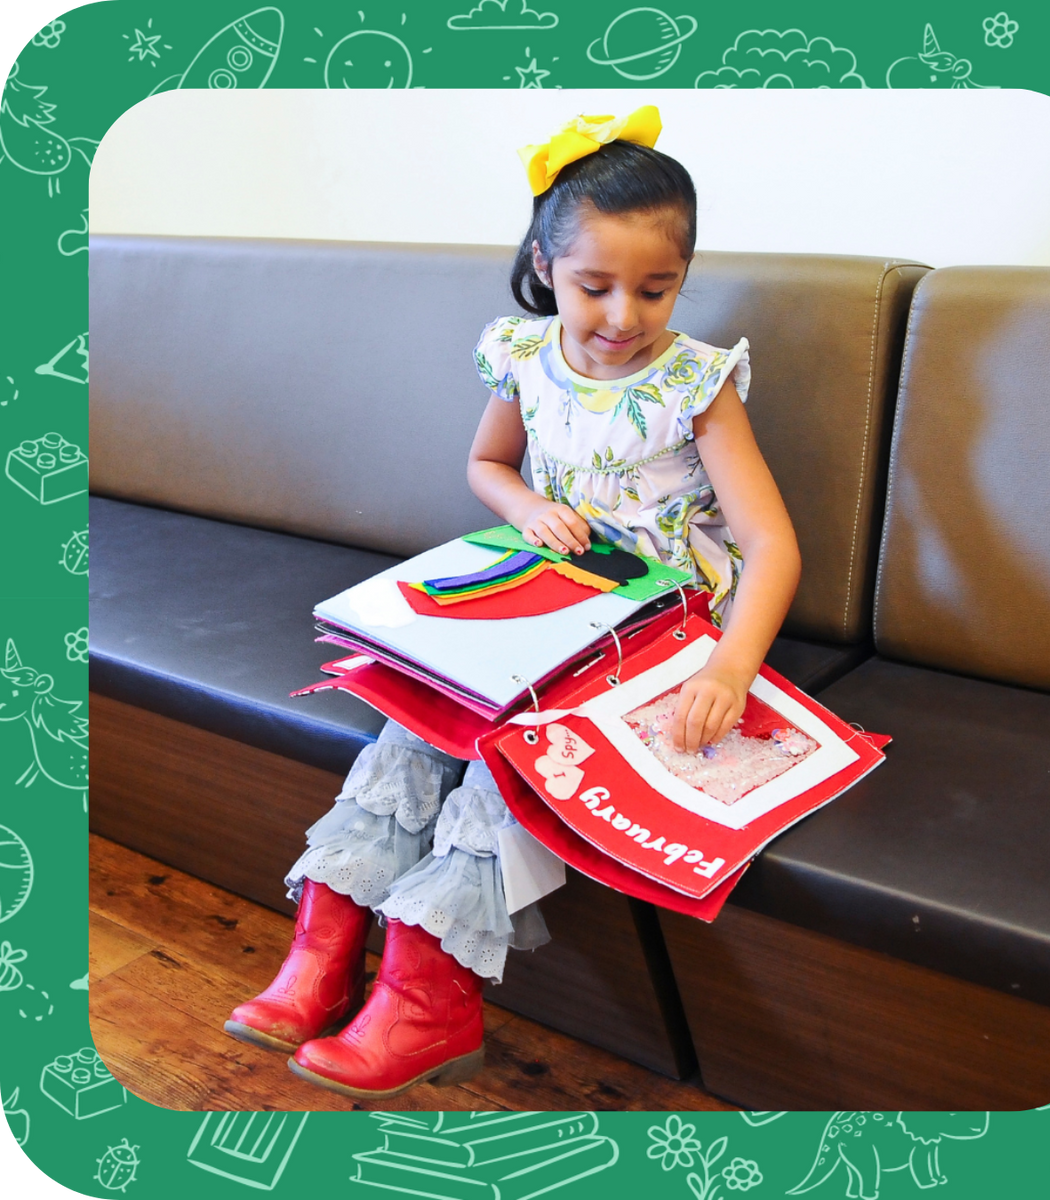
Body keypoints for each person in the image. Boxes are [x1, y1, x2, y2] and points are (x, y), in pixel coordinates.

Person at [224, 106, 802, 1100]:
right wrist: (530, 505)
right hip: (542, 605)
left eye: (655, 289)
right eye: (594, 286)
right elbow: (487, 464)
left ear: (683, 278)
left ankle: (429, 995)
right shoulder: (523, 356)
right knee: (412, 730)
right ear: (544, 264)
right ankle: (325, 951)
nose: (623, 316)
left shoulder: (695, 384)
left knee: (511, 756)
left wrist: (731, 667)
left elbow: (770, 541)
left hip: (661, 633)